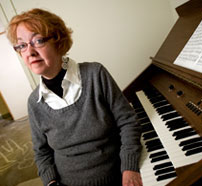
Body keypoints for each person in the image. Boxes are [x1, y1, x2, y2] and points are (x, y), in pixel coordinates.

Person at [7, 8, 142, 186]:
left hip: (116, 177)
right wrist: (51, 182)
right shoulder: (34, 102)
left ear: (58, 41)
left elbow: (128, 122)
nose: (29, 52)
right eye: (22, 45)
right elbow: (42, 153)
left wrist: (129, 167)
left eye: (38, 41)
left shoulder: (95, 74)